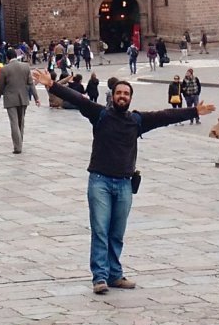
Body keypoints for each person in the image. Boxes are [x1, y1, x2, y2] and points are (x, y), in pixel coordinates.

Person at [37, 70, 208, 294]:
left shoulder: (136, 121)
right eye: (119, 93)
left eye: (126, 94)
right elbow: (78, 99)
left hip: (125, 183)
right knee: (100, 230)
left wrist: (194, 111)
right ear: (113, 96)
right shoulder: (100, 115)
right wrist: (51, 85)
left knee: (117, 232)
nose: (122, 96)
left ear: (130, 98)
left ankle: (115, 275)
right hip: (100, 181)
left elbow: (165, 116)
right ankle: (100, 277)